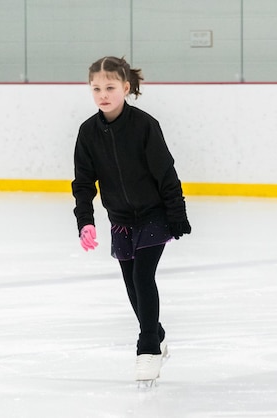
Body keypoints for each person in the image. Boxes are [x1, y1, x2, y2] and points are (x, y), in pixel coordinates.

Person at [71, 56, 191, 383]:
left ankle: (148, 348)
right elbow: (83, 183)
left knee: (142, 277)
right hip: (120, 218)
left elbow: (166, 173)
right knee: (130, 284)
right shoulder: (88, 133)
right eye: (96, 88)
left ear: (125, 87)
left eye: (110, 87)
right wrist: (86, 220)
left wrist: (177, 215)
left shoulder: (144, 126)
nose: (103, 94)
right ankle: (157, 331)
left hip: (154, 213)